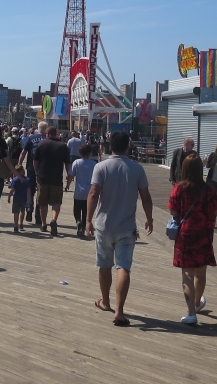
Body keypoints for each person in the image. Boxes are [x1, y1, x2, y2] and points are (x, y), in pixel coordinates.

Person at [85, 131, 154, 328]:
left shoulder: (101, 167)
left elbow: (93, 193)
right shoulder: (137, 169)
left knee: (104, 265)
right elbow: (146, 197)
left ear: (110, 147)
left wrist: (88, 220)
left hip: (103, 225)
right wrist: (149, 219)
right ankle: (119, 311)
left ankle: (105, 302)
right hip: (126, 227)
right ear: (128, 146)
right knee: (123, 267)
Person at [169, 153, 217, 325]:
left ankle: (191, 313)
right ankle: (196, 302)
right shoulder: (209, 190)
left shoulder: (179, 189)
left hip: (185, 235)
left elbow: (173, 212)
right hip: (204, 235)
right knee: (200, 273)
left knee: (187, 274)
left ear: (185, 169)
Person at [34, 125, 72, 236]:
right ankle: (54, 220)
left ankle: (44, 224)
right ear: (56, 134)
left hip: (42, 178)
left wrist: (37, 173)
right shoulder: (63, 146)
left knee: (42, 202)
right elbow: (67, 164)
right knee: (56, 202)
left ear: (47, 134)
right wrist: (69, 176)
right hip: (56, 178)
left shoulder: (41, 144)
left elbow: (35, 161)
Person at [67, 143, 98, 237]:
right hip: (90, 192)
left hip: (79, 191)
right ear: (90, 153)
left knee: (76, 209)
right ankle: (83, 227)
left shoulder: (76, 162)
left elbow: (70, 175)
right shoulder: (94, 164)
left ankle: (78, 221)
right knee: (86, 211)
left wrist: (67, 185)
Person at [19, 122, 47, 225]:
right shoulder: (47, 140)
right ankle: (38, 216)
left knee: (29, 190)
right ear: (46, 129)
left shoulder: (31, 138)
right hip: (43, 170)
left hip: (31, 168)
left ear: (38, 128)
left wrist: (19, 164)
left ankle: (29, 208)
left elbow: (23, 153)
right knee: (40, 192)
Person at [8, 165, 31, 232]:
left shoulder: (15, 180)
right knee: (22, 211)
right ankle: (21, 223)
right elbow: (29, 191)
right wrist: (30, 200)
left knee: (16, 212)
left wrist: (9, 197)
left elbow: (12, 190)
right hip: (24, 198)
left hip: (16, 198)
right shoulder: (27, 180)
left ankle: (16, 225)